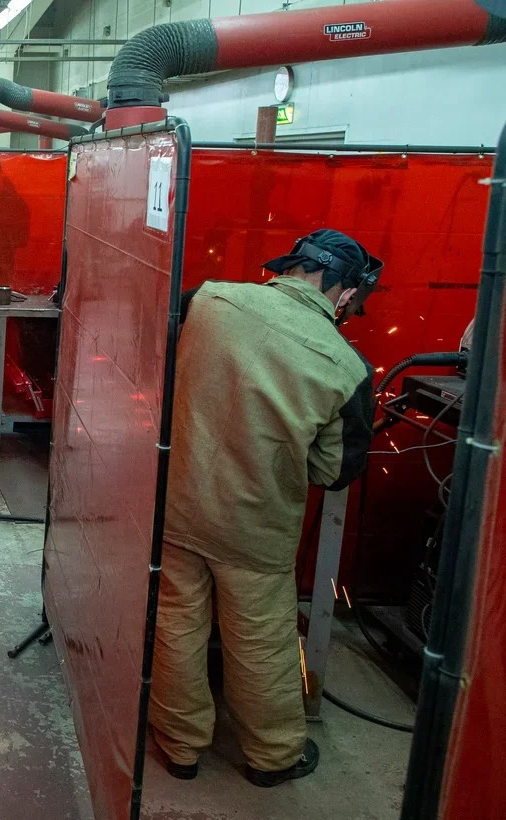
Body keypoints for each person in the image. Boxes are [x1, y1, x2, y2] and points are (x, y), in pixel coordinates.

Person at [150, 229, 383, 787]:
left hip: (178, 506)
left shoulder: (206, 298)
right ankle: (272, 757)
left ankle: (179, 746)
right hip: (255, 527)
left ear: (290, 267)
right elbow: (335, 471)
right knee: (260, 641)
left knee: (176, 624)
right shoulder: (346, 365)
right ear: (345, 295)